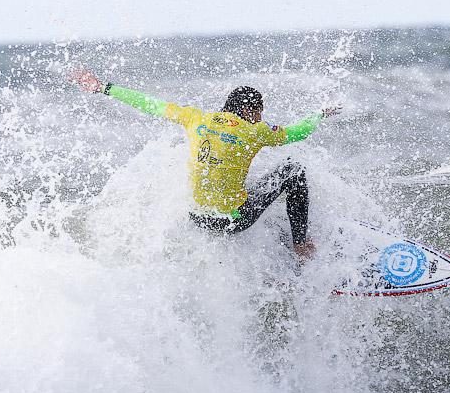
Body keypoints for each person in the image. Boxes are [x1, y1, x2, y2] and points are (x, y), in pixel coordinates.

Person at [70, 69, 340, 258]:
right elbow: (299, 132)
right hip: (233, 222)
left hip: (197, 219)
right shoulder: (255, 131)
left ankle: (280, 232)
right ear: (248, 111)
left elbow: (150, 103)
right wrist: (318, 115)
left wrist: (105, 88)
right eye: (259, 112)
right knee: (293, 170)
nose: (260, 117)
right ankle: (301, 244)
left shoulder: (195, 118)